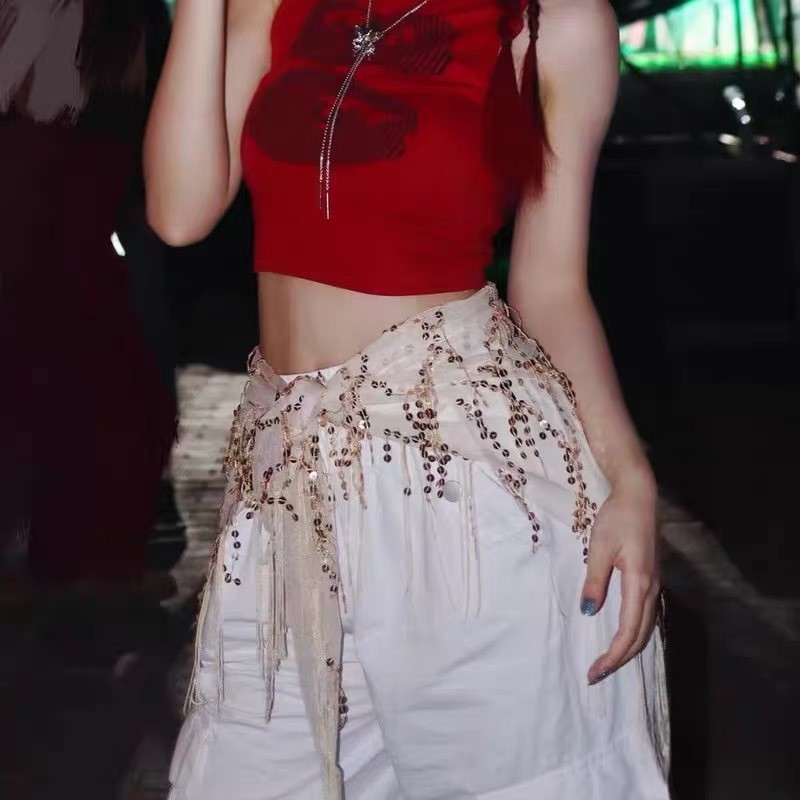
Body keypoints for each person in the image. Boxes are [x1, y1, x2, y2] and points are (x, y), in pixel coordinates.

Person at [145, 0, 671, 796]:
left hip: (465, 486)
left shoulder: (556, 22)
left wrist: (630, 476)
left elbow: (551, 287)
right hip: (289, 482)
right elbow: (179, 212)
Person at [0, 0, 176, 599]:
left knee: (96, 382)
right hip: (53, 204)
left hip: (82, 208)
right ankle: (66, 555)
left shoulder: (123, 23)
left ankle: (82, 554)